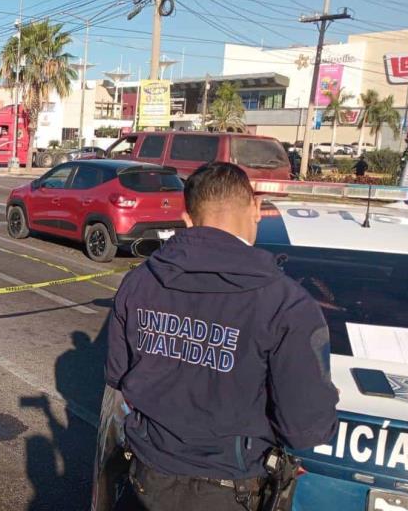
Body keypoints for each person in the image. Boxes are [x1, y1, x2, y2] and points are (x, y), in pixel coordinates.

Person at [103, 162, 338, 511]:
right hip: (230, 491)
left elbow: (117, 375)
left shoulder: (139, 281)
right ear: (256, 209)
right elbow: (305, 431)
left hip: (146, 481)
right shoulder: (287, 304)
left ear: (187, 219)